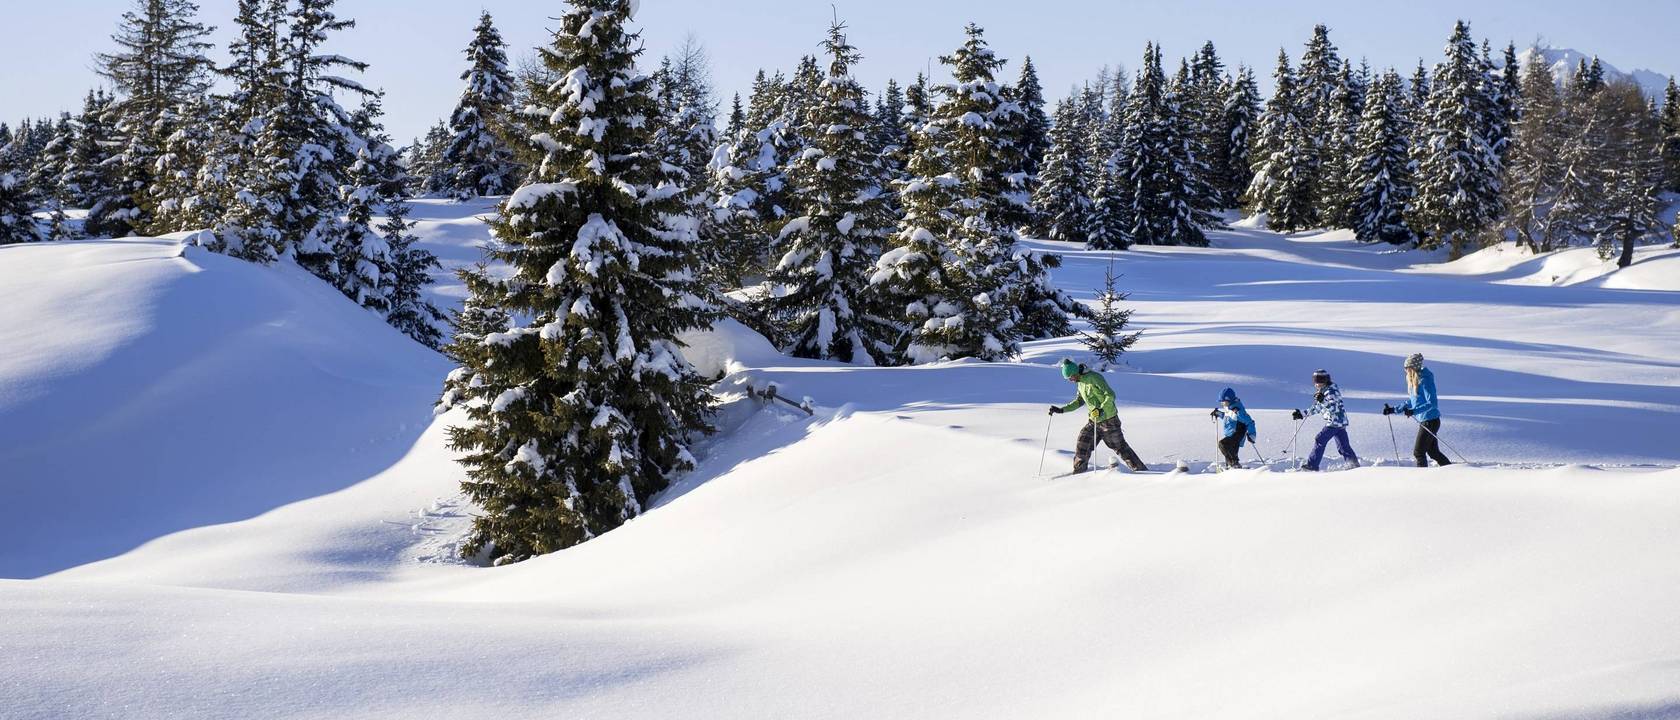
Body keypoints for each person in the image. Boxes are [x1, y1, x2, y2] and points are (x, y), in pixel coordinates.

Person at [1048, 358, 1147, 473]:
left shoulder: (1094, 378)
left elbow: (1110, 395)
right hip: (1094, 420)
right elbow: (1079, 401)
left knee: (1120, 447)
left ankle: (1141, 470)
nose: (1070, 380)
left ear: (1075, 372)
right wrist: (1061, 410)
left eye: (1070, 377)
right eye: (1067, 378)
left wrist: (1101, 410)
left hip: (1108, 419)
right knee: (1083, 442)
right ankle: (1079, 471)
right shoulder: (1080, 383)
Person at [1383, 353, 1451, 467]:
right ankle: (1451, 471)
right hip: (1427, 421)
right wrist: (1393, 409)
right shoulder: (1416, 380)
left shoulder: (1425, 380)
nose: (1405, 371)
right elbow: (1413, 401)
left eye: (1407, 368)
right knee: (1433, 452)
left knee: (1418, 452)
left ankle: (1421, 479)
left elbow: (1432, 403)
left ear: (1413, 368)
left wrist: (1414, 411)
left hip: (1431, 421)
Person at [1291, 369, 1359, 471]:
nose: (1318, 383)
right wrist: (1301, 414)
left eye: (1321, 380)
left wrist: (1323, 400)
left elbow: (1333, 408)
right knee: (1343, 446)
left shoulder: (1331, 392)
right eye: (1316, 380)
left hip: (1335, 421)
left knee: (1320, 439)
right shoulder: (1323, 391)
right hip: (1338, 422)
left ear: (1326, 380)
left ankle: (1312, 465)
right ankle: (1353, 464)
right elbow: (1316, 408)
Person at [1210, 388, 1257, 469]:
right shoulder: (1229, 407)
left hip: (1237, 432)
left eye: (1224, 402)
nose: (1223, 404)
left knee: (1223, 444)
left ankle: (1235, 465)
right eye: (1222, 402)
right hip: (1230, 433)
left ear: (1230, 400)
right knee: (1229, 454)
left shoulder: (1238, 409)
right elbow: (1227, 417)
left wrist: (1252, 435)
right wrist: (1218, 413)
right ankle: (1231, 469)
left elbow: (1249, 421)